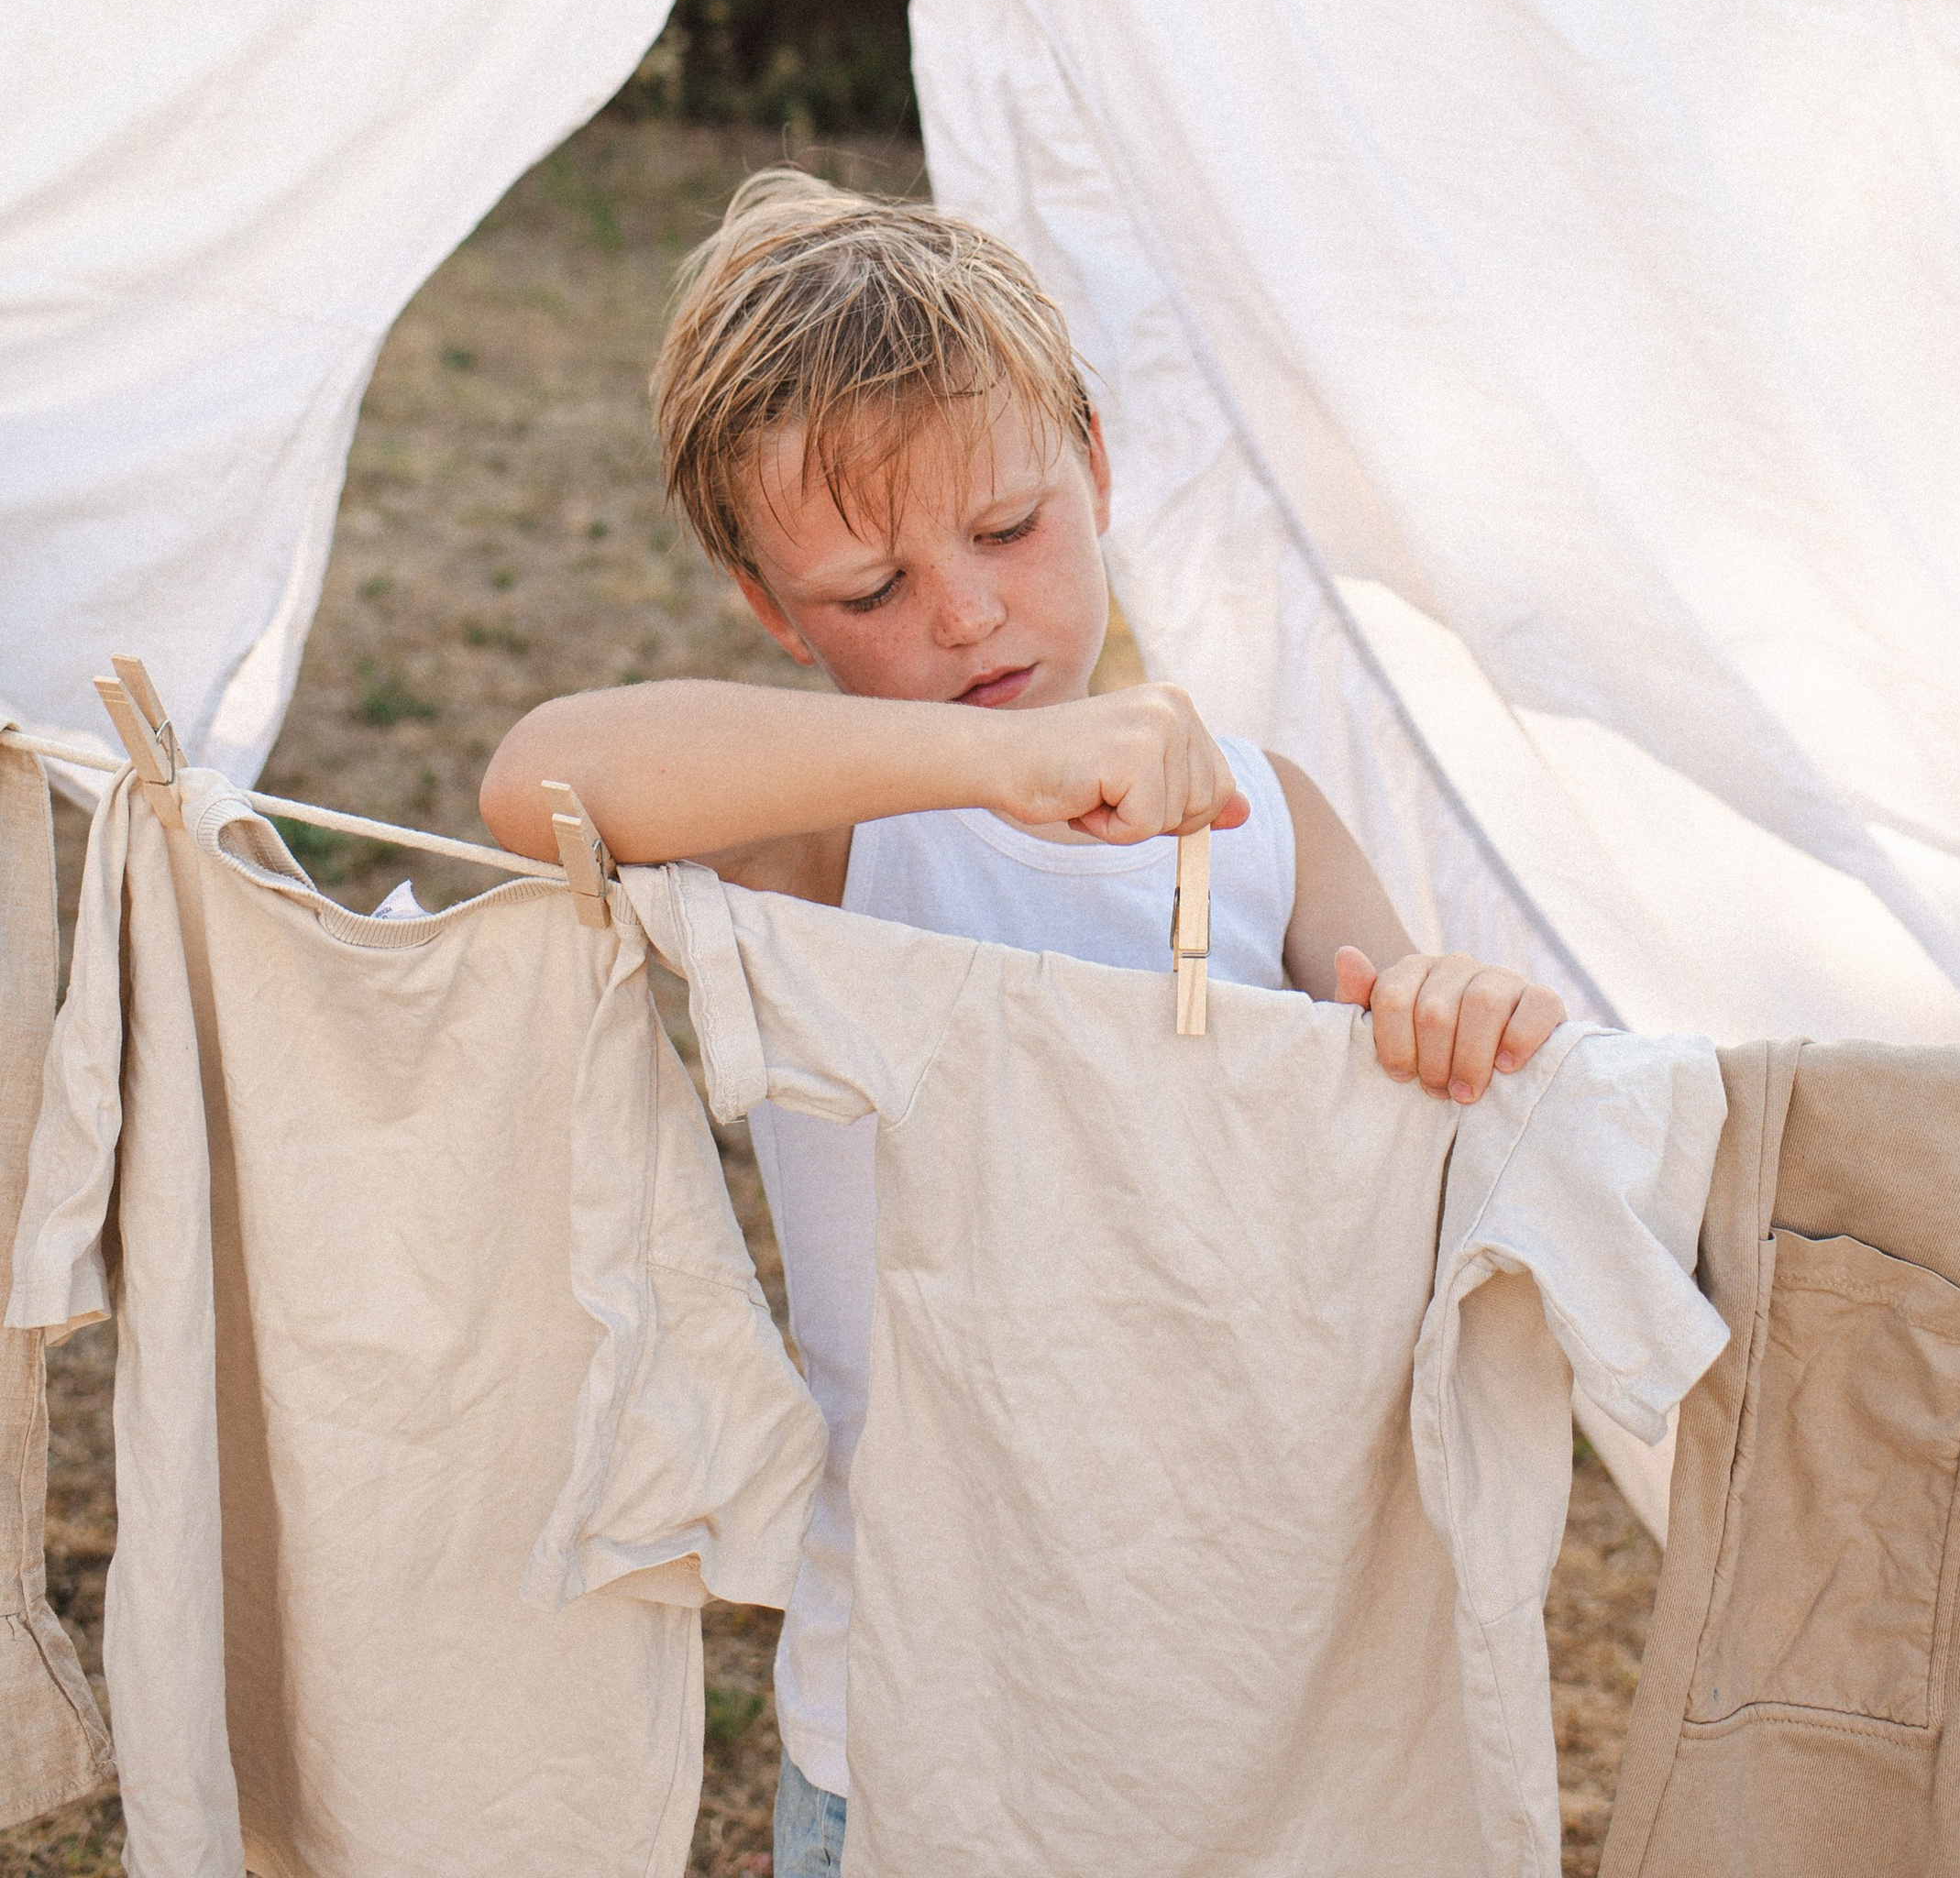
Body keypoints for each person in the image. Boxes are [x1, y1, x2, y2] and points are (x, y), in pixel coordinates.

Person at [482, 170, 1570, 1878]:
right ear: (773, 613)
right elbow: (541, 775)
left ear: (1098, 469)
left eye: (1005, 532)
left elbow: (1419, 1089)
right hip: (931, 1708)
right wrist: (989, 763)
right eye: (868, 593)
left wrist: (1448, 1011)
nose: (965, 617)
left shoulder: (1268, 822)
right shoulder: (832, 839)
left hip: (1262, 1686)